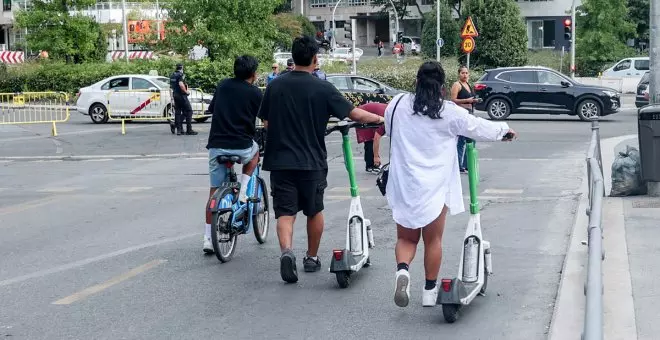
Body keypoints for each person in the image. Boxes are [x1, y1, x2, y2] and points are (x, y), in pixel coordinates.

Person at [383, 61, 516, 308]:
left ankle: (402, 271)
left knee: (407, 239)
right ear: (443, 87)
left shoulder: (398, 103)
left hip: (405, 183)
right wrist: (504, 131)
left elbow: (389, 130)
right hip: (435, 186)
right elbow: (478, 128)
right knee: (433, 241)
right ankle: (429, 292)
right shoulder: (449, 112)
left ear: (416, 82)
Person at [258, 35, 385, 284]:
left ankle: (286, 252)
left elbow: (265, 122)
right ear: (315, 60)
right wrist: (380, 119)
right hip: (311, 161)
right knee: (314, 211)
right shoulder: (323, 87)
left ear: (292, 59)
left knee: (285, 213)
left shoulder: (275, 86)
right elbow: (353, 113)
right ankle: (311, 257)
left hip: (280, 161)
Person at [201, 55, 263, 253]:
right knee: (255, 154)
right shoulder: (255, 93)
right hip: (242, 145)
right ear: (253, 74)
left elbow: (213, 110)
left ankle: (208, 240)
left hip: (217, 146)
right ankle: (244, 191)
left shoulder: (223, 86)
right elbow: (266, 119)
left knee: (213, 192)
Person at [451, 65, 478, 173]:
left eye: (466, 73)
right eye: (463, 73)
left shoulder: (467, 84)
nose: (465, 75)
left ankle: (467, 165)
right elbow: (453, 100)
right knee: (461, 140)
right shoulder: (457, 85)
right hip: (461, 115)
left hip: (469, 114)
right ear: (459, 74)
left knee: (472, 139)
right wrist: (467, 100)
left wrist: (474, 101)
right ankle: (459, 166)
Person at [355, 102, 387, 173]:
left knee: (370, 140)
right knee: (369, 140)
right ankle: (371, 166)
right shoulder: (387, 119)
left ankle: (373, 164)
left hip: (369, 113)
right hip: (363, 114)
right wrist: (376, 156)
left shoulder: (391, 112)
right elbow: (376, 138)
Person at [169, 64, 198, 136]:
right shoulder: (181, 75)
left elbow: (170, 88)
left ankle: (179, 129)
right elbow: (181, 84)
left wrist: (172, 98)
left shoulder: (172, 75)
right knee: (189, 111)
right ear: (182, 68)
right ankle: (189, 130)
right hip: (182, 96)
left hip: (175, 95)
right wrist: (186, 91)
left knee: (178, 112)